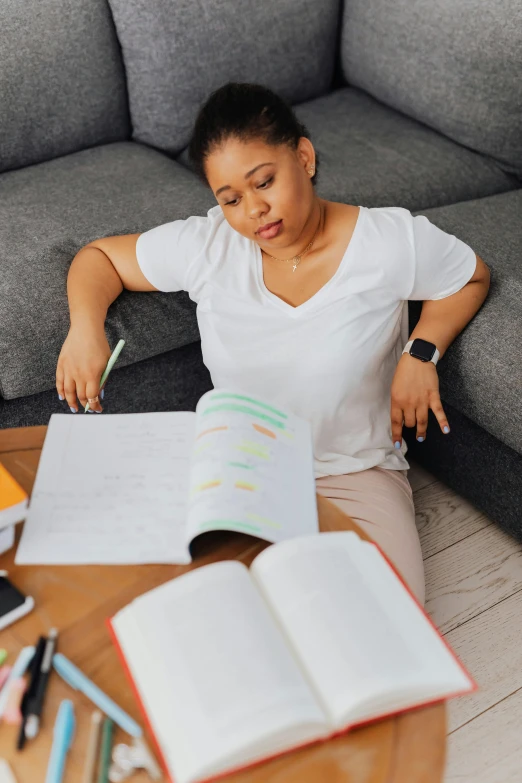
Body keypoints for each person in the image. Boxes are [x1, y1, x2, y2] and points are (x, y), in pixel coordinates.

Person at [56, 83, 490, 604]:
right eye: (232, 199)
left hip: (354, 474)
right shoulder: (210, 245)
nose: (255, 210)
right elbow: (98, 259)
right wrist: (85, 330)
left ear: (303, 156)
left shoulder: (387, 241)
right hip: (240, 472)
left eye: (264, 182)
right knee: (203, 616)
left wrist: (422, 352)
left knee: (381, 625)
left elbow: (470, 276)